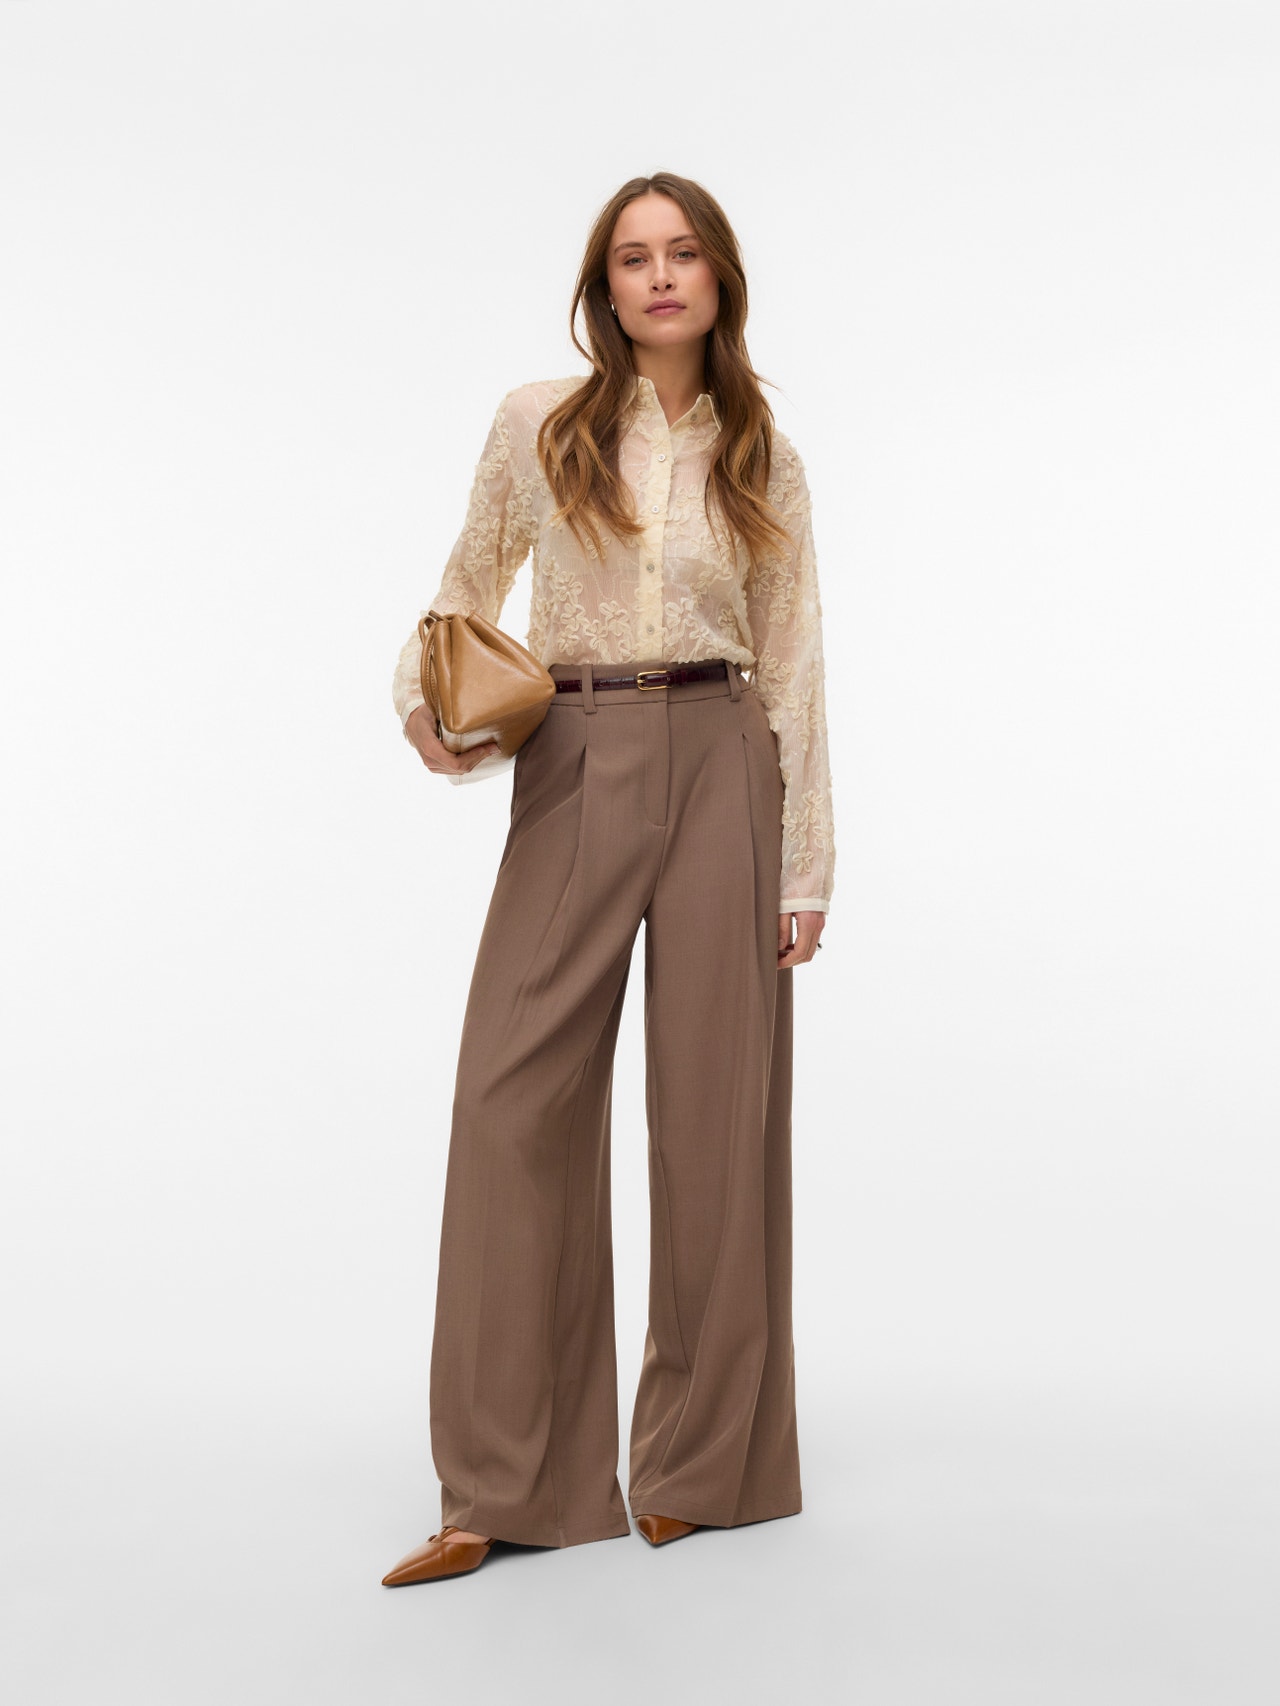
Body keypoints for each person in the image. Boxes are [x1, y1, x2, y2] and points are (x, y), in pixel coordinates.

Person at [381, 171, 835, 1585]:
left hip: (723, 757)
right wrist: (430, 704)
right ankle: (503, 1483)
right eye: (634, 258)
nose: (660, 276)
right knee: (509, 1095)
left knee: (717, 1115)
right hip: (573, 753)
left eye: (683, 252)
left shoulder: (762, 454)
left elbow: (796, 660)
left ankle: (708, 1463)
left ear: (719, 278)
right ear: (605, 288)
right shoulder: (541, 422)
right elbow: (464, 587)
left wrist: (806, 864)